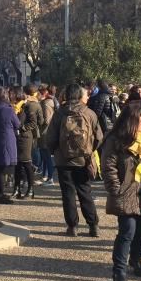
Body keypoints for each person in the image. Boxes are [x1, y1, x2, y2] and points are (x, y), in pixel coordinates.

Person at [102, 103, 141, 281]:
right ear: (132, 120)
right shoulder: (115, 140)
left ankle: (136, 261)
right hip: (126, 191)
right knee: (127, 231)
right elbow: (108, 165)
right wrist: (115, 188)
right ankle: (118, 271)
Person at [45, 84, 103, 237]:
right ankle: (93, 225)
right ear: (79, 96)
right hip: (83, 159)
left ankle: (72, 226)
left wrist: (54, 151)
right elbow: (99, 137)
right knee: (85, 191)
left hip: (63, 160)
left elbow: (50, 137)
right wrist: (90, 150)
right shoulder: (89, 113)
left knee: (68, 194)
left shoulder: (60, 113)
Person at [14, 84, 43, 199]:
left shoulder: (31, 105)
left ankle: (30, 189)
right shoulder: (26, 104)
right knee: (18, 163)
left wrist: (22, 128)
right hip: (22, 136)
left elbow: (35, 122)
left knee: (26, 162)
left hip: (26, 136)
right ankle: (18, 188)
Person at [37, 85, 57, 186]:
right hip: (46, 132)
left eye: (39, 93)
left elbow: (46, 120)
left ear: (45, 93)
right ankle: (45, 176)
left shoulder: (46, 104)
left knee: (47, 156)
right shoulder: (49, 102)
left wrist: (37, 120)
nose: (37, 95)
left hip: (45, 132)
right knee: (45, 156)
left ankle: (50, 178)